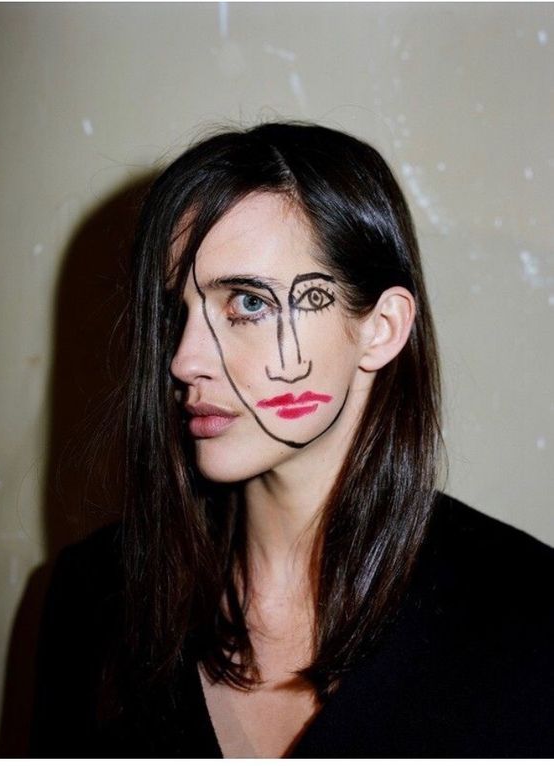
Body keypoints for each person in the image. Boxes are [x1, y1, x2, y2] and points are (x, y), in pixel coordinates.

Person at [31, 122, 554, 757]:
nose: (184, 360)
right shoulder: (94, 596)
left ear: (381, 328)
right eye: (177, 312)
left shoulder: (529, 616)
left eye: (248, 304)